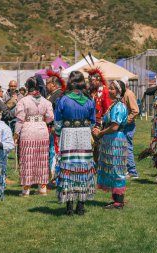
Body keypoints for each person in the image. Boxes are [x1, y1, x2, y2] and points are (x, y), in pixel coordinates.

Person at [55, 71, 96, 216]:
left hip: (69, 135)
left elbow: (58, 121)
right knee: (84, 167)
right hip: (84, 134)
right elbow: (93, 122)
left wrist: (59, 134)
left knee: (69, 168)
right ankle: (81, 206)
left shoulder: (64, 100)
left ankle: (69, 207)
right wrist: (86, 130)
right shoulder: (89, 100)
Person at [14, 76, 54, 196]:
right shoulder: (46, 101)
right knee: (42, 159)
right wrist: (41, 121)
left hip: (28, 130)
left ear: (27, 87)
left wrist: (16, 133)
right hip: (42, 131)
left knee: (28, 159)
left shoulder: (23, 101)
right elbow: (50, 117)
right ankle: (42, 188)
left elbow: (20, 119)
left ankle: (26, 190)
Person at [93, 80, 128, 209]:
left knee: (116, 169)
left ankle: (119, 202)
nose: (109, 91)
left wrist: (101, 133)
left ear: (118, 92)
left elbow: (114, 126)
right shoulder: (114, 105)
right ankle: (116, 200)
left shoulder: (119, 106)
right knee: (112, 168)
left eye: (112, 89)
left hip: (115, 140)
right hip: (111, 140)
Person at [86, 68, 112, 163]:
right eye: (89, 81)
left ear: (98, 79)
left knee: (99, 146)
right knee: (91, 146)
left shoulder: (104, 90)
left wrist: (103, 125)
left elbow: (108, 108)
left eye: (91, 81)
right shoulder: (89, 91)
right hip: (89, 122)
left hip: (100, 123)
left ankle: (100, 164)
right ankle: (94, 165)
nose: (90, 83)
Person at [46, 71, 66, 179]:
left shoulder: (59, 94)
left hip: (55, 128)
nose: (46, 85)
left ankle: (55, 175)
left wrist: (54, 125)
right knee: (51, 151)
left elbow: (58, 112)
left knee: (55, 151)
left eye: (47, 83)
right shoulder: (52, 95)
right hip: (51, 128)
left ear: (53, 84)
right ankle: (52, 174)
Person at [121, 78, 140, 179]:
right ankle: (127, 170)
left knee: (127, 147)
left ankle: (132, 171)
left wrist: (126, 121)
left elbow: (135, 110)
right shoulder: (123, 94)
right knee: (123, 147)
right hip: (124, 125)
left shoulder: (129, 94)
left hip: (128, 125)